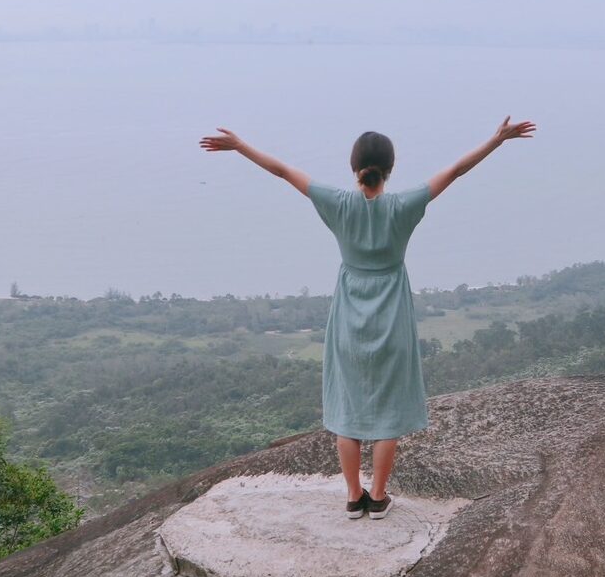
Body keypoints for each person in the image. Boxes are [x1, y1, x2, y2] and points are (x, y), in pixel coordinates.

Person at [199, 115, 536, 519]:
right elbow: (457, 170)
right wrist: (496, 141)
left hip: (348, 319)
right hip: (392, 317)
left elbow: (283, 171)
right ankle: (378, 497)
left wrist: (240, 146)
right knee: (387, 413)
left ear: (353, 167)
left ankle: (352, 496)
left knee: (347, 411)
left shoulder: (338, 205)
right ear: (390, 169)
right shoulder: (403, 205)